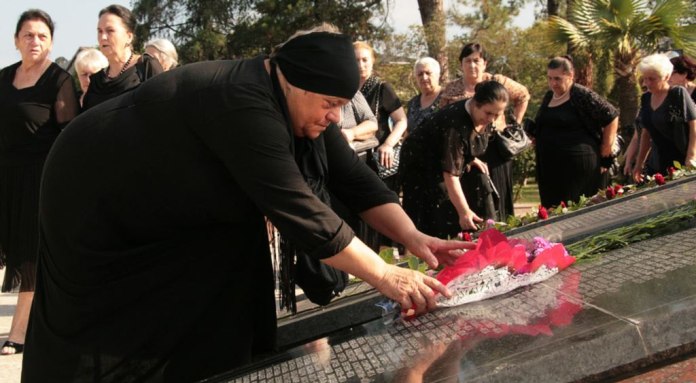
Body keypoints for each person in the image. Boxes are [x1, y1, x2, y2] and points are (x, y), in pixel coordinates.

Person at [22, 26, 471, 382]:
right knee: (116, 325)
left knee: (220, 294)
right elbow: (303, 214)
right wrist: (387, 275)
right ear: (297, 83)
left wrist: (415, 238)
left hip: (173, 210)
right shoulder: (244, 102)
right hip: (95, 195)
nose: (337, 117)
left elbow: (356, 181)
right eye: (332, 104)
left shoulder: (301, 94)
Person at [0, 9, 79, 356]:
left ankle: (18, 332)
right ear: (16, 40)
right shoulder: (3, 78)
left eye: (42, 36)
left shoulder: (59, 79)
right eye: (29, 35)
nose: (35, 41)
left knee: (30, 256)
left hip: (39, 179)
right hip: (4, 176)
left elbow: (70, 136)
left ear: (51, 43)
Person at [400, 81, 509, 238]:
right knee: (438, 221)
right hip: (421, 168)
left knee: (478, 179)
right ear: (475, 104)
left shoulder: (480, 116)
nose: (492, 119)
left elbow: (466, 145)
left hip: (441, 162)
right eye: (488, 113)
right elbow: (450, 174)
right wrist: (464, 212)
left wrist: (469, 158)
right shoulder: (455, 125)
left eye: (497, 115)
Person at [440, 43, 530, 221]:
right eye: (468, 61)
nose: (472, 65)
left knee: (498, 196)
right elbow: (443, 118)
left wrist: (515, 123)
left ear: (484, 63)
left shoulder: (497, 81)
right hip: (465, 152)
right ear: (461, 64)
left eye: (476, 61)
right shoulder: (451, 89)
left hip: (495, 148)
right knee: (471, 195)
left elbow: (523, 95)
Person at [532, 56, 618, 208]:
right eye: (550, 78)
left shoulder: (580, 94)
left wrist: (606, 147)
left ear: (570, 75)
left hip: (578, 168)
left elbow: (611, 115)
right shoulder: (548, 96)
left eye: (558, 79)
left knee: (578, 211)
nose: (553, 83)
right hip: (551, 169)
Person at [82, 4, 162, 110]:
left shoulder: (146, 67)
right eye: (99, 31)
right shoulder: (96, 82)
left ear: (129, 37)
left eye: (110, 31)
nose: (103, 37)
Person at [632, 54, 696, 183]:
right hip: (658, 161)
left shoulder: (678, 94)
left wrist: (692, 155)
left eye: (652, 79)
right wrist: (639, 164)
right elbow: (646, 133)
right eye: (645, 79)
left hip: (681, 158)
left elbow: (693, 125)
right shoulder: (646, 98)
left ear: (666, 77)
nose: (648, 83)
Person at [354, 41, 408, 186]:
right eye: (356, 60)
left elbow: (402, 120)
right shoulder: (349, 90)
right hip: (355, 157)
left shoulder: (382, 88)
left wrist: (389, 144)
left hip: (379, 158)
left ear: (372, 61)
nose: (361, 65)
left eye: (365, 60)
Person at [406, 57, 442, 135]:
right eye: (420, 74)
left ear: (438, 75)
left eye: (428, 73)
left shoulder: (447, 98)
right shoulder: (412, 103)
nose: (424, 77)